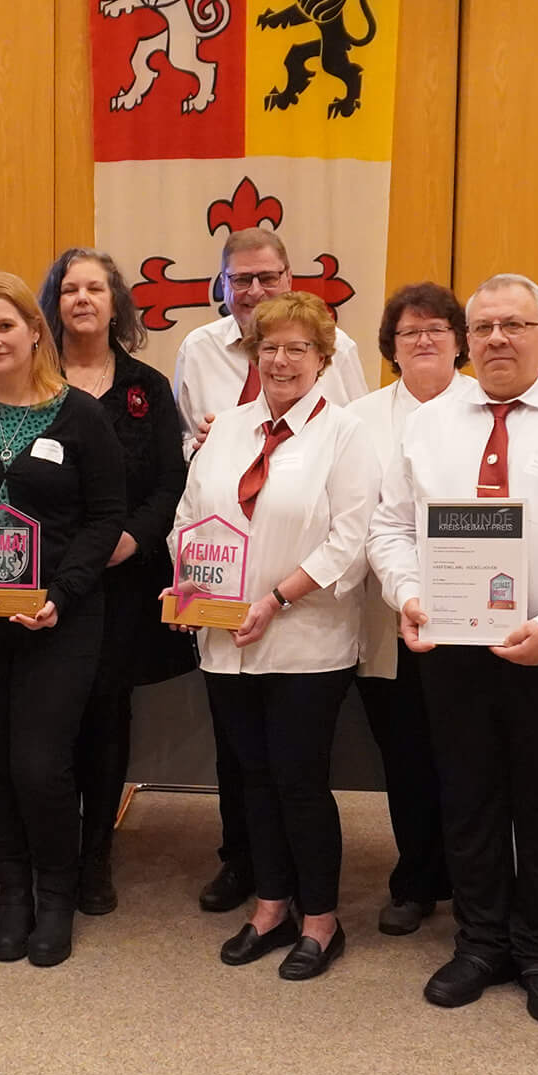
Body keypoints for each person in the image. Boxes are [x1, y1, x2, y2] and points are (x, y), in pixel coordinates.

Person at [367, 274, 538, 1026]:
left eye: (514, 325)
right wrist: (407, 593)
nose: (496, 338)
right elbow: (389, 527)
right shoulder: (427, 423)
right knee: (469, 798)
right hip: (454, 648)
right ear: (467, 338)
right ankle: (482, 942)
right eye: (484, 326)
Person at [174, 292, 379, 979]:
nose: (282, 359)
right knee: (252, 779)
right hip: (224, 641)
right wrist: (185, 581)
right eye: (269, 347)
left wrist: (275, 597)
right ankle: (270, 904)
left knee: (298, 781)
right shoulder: (226, 429)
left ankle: (321, 918)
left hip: (304, 642)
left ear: (324, 358)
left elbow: (352, 541)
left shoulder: (347, 433)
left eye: (298, 348)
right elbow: (190, 513)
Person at [0, 272, 125, 968]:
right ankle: (13, 892)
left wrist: (63, 594)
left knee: (40, 764)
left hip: (59, 616)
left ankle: (57, 890)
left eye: (3, 326)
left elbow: (107, 517)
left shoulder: (82, 415)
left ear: (34, 329)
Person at [37, 247, 188, 914]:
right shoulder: (30, 380)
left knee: (106, 717)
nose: (82, 299)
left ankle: (95, 856)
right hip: (44, 583)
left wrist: (131, 538)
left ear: (115, 301)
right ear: (55, 303)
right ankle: (51, 854)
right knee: (50, 718)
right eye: (70, 289)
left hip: (122, 579)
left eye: (95, 288)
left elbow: (168, 482)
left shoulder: (147, 389)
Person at [345, 283, 472, 935]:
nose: (423, 338)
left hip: (479, 613)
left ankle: (473, 881)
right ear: (390, 346)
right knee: (406, 753)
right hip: (387, 611)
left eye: (437, 327)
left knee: (470, 754)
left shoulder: (487, 410)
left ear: (460, 339)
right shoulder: (359, 418)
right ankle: (416, 877)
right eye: (409, 330)